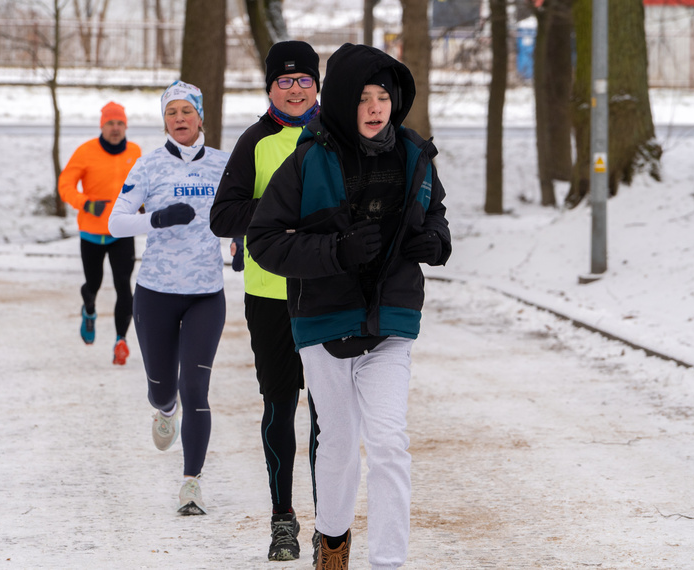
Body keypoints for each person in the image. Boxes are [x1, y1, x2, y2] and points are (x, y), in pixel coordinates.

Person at [246, 43, 452, 570]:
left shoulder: (413, 154)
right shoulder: (310, 158)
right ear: (341, 100)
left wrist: (437, 242)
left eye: (384, 96)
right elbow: (264, 241)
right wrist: (333, 252)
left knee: (388, 442)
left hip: (391, 321)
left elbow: (435, 213)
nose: (375, 106)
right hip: (322, 320)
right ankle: (332, 542)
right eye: (363, 97)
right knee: (337, 442)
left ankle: (388, 562)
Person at [209, 40, 321, 562]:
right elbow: (221, 217)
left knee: (330, 415)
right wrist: (278, 212)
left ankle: (331, 521)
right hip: (270, 294)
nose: (295, 89)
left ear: (317, 86)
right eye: (285, 81)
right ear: (270, 87)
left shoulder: (336, 135)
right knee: (279, 405)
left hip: (328, 292)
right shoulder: (255, 140)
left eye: (303, 80)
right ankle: (283, 519)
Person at [108, 81, 229, 516]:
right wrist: (156, 219)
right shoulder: (148, 165)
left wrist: (240, 242)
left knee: (194, 386)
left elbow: (239, 213)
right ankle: (164, 410)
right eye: (171, 112)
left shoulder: (222, 163)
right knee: (163, 389)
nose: (179, 118)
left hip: (205, 295)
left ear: (201, 117)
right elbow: (115, 223)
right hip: (156, 293)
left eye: (187, 111)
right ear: (165, 120)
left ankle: (191, 484)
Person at [58, 101, 141, 365]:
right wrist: (85, 203)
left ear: (125, 126)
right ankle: (89, 311)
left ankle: (121, 340)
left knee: (123, 287)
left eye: (120, 123)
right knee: (92, 284)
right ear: (102, 126)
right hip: (92, 233)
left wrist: (142, 205)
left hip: (122, 231)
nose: (115, 128)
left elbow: (144, 185)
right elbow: (65, 185)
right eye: (110, 123)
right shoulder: (86, 152)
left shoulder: (136, 152)